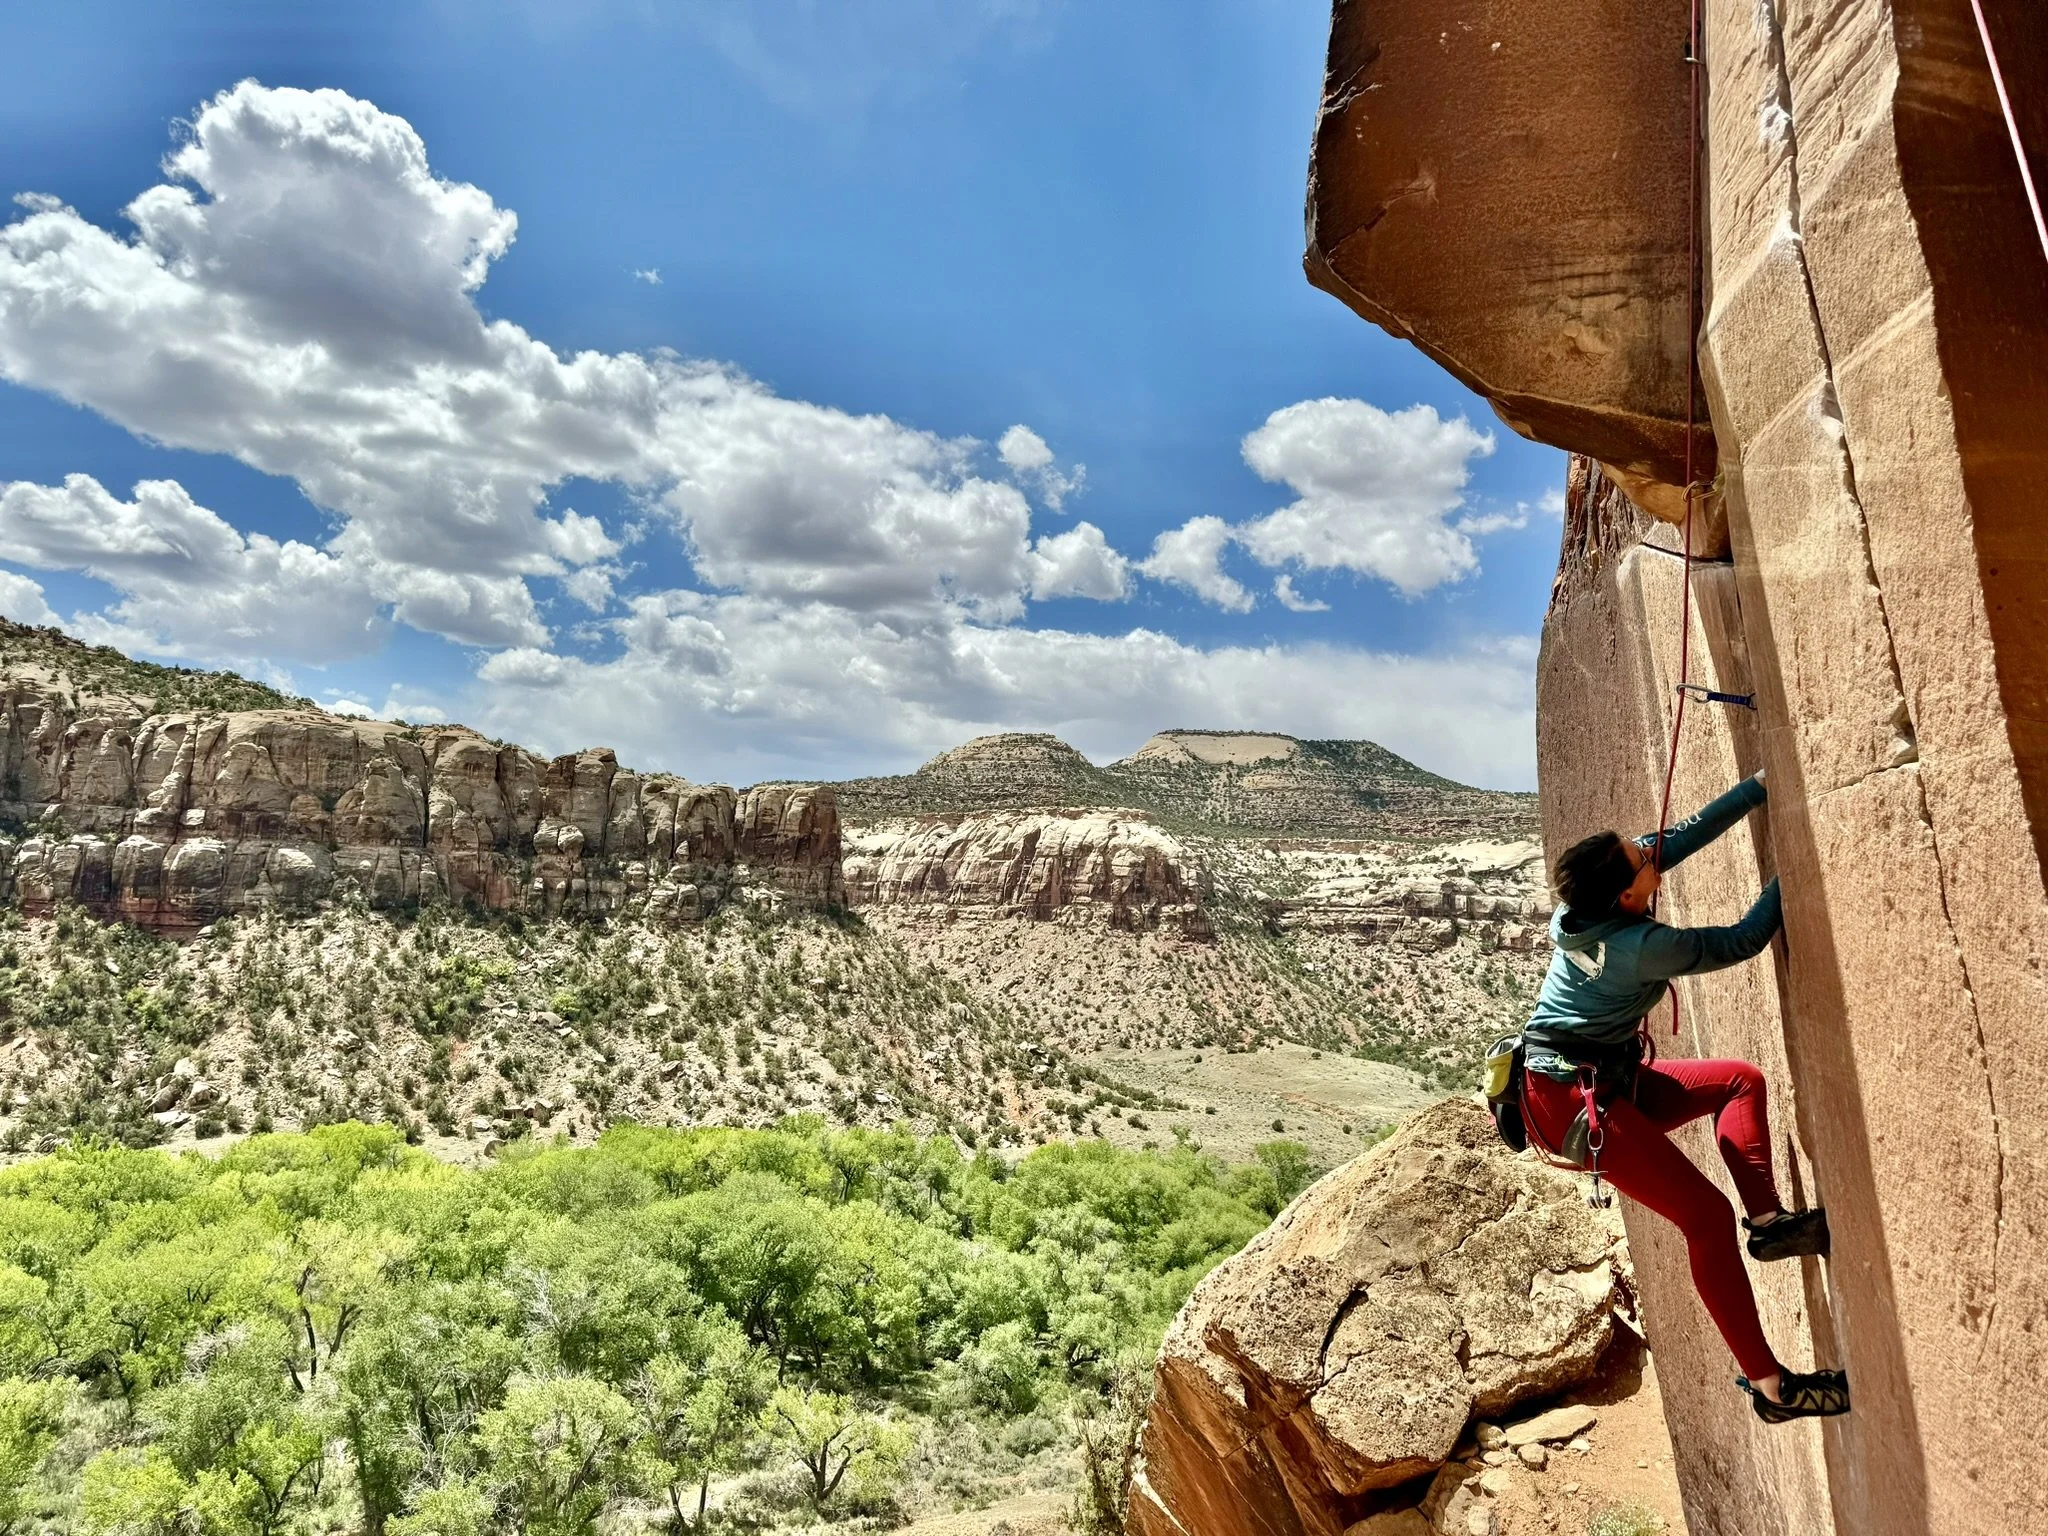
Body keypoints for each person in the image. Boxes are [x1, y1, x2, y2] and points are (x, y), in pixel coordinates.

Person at [1524, 770, 1850, 1424]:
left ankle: (1771, 1227)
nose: (1650, 853)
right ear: (1625, 894)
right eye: (1640, 859)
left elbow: (1676, 838)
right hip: (1572, 1103)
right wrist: (1795, 861)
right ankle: (1773, 1390)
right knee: (1704, 1217)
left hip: (1594, 1076)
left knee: (1738, 1081)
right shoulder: (1638, 948)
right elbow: (1741, 940)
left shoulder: (1585, 911)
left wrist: (1761, 785)